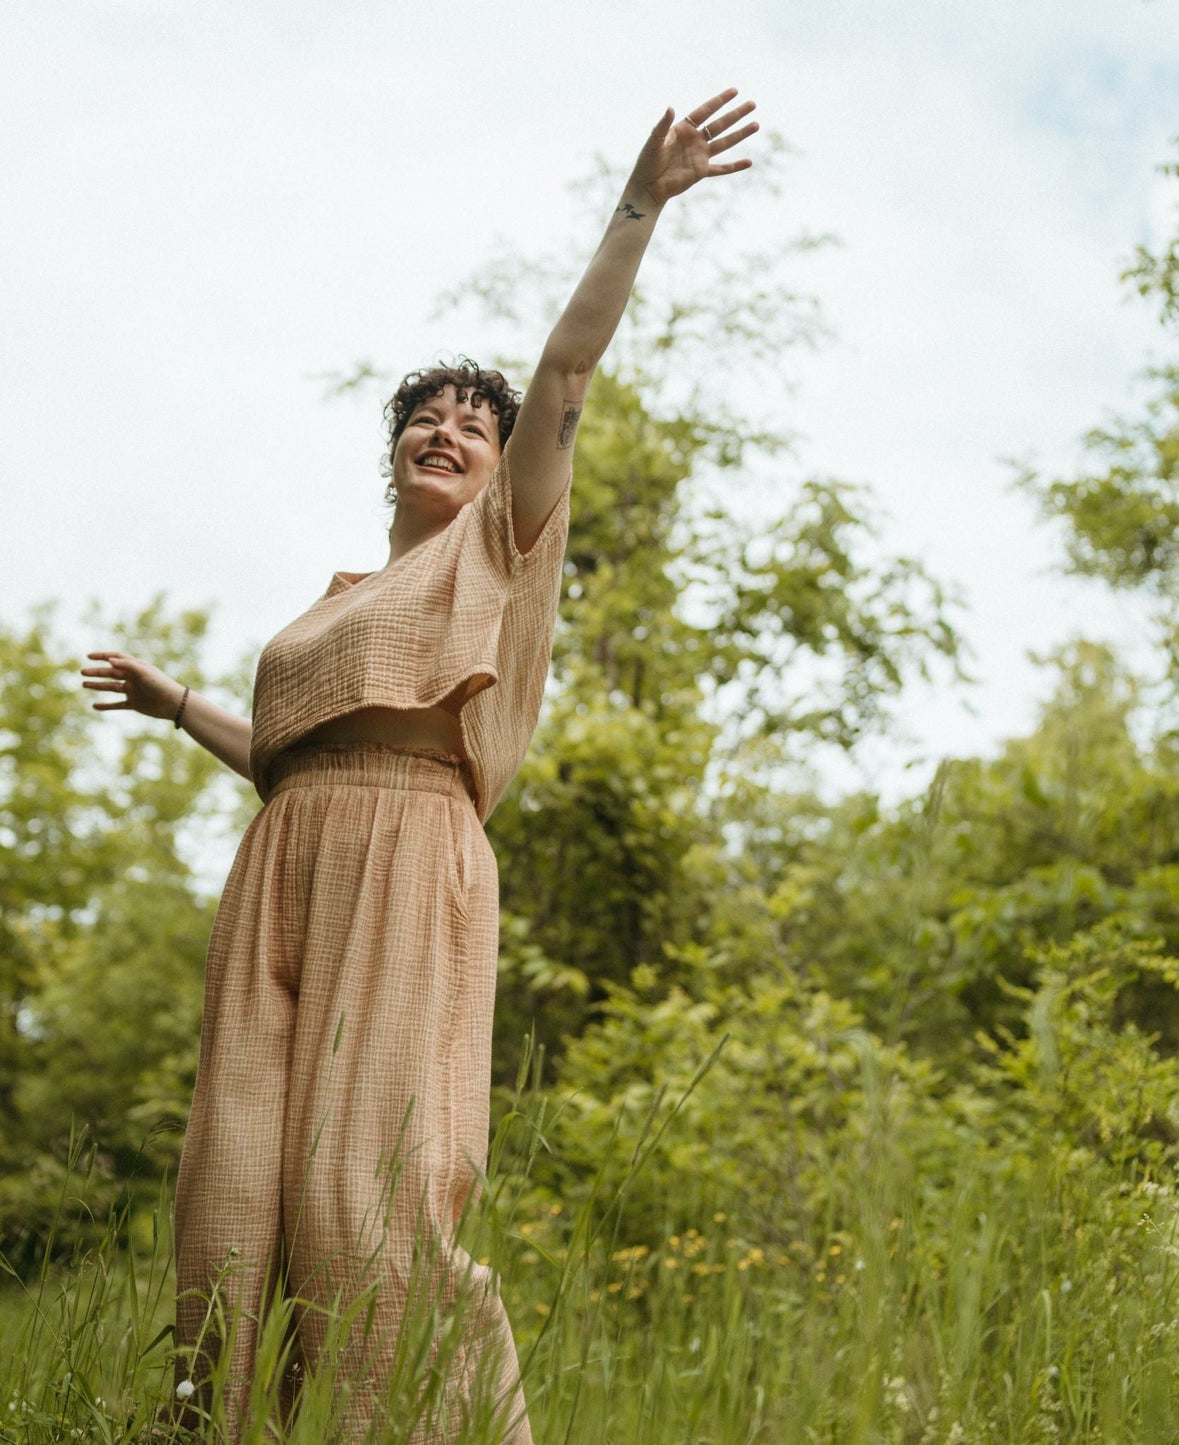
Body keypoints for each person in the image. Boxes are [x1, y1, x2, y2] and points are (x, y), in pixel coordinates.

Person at [82, 90, 758, 1444]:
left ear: (503, 465)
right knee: (230, 1193)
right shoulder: (334, 603)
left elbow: (562, 374)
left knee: (362, 1199)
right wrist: (183, 710)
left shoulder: (498, 548)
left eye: (471, 421)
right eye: (425, 416)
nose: (446, 429)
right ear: (392, 447)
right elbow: (294, 762)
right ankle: (207, 1427)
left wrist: (639, 206)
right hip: (284, 864)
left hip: (410, 863)